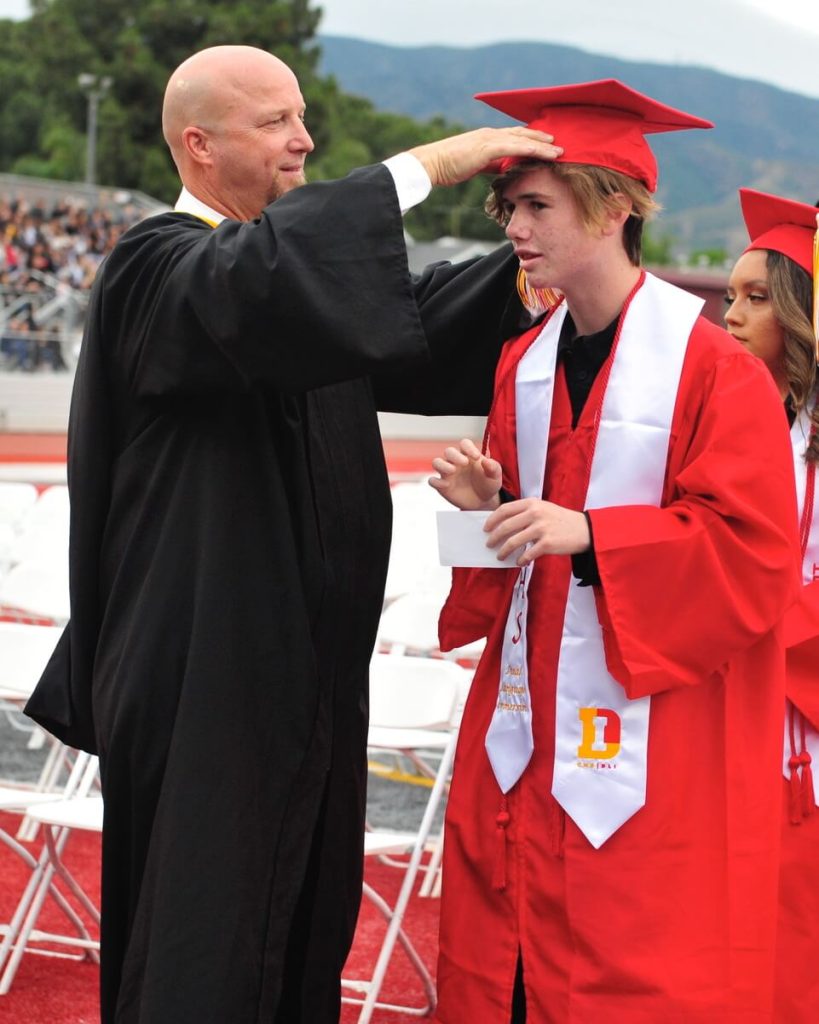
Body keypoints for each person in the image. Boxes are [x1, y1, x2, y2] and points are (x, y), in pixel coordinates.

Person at [23, 44, 562, 1024]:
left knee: (301, 925)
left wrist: (536, 266)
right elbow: (269, 277)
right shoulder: (158, 269)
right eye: (274, 121)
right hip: (205, 680)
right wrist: (430, 165)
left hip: (307, 673)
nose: (304, 138)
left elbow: (414, 319)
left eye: (301, 114)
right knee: (206, 942)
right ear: (199, 144)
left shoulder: (288, 296)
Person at [428, 80, 801, 1022]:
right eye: (508, 206)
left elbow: (753, 552)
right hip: (526, 731)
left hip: (655, 740)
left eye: (537, 205)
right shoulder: (524, 359)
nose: (514, 226)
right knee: (512, 966)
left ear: (614, 206)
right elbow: (518, 556)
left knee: (635, 972)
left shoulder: (716, 368)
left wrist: (594, 534)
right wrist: (491, 509)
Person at [725, 188, 819, 1024]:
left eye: (757, 298)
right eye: (729, 296)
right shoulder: (765, 426)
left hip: (799, 726)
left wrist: (748, 626)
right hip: (752, 721)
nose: (732, 316)